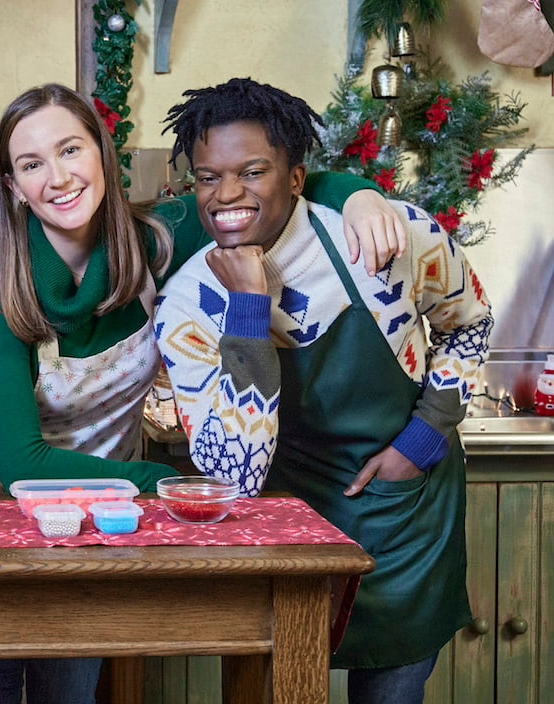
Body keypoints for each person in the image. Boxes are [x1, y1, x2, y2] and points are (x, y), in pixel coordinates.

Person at [0, 82, 407, 704]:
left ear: (103, 156)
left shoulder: (159, 238)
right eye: (31, 164)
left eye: (70, 150)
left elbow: (274, 188)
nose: (58, 177)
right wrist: (166, 483)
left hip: (98, 520)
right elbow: (23, 463)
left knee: (69, 690)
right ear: (12, 186)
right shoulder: (0, 286)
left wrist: (363, 195)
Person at [155, 77, 493, 704]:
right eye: (207, 177)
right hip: (284, 516)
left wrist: (421, 440)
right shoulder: (189, 302)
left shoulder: (383, 240)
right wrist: (250, 308)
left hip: (403, 512)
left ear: (296, 177)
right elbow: (236, 472)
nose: (226, 194)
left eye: (252, 171)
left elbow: (469, 322)